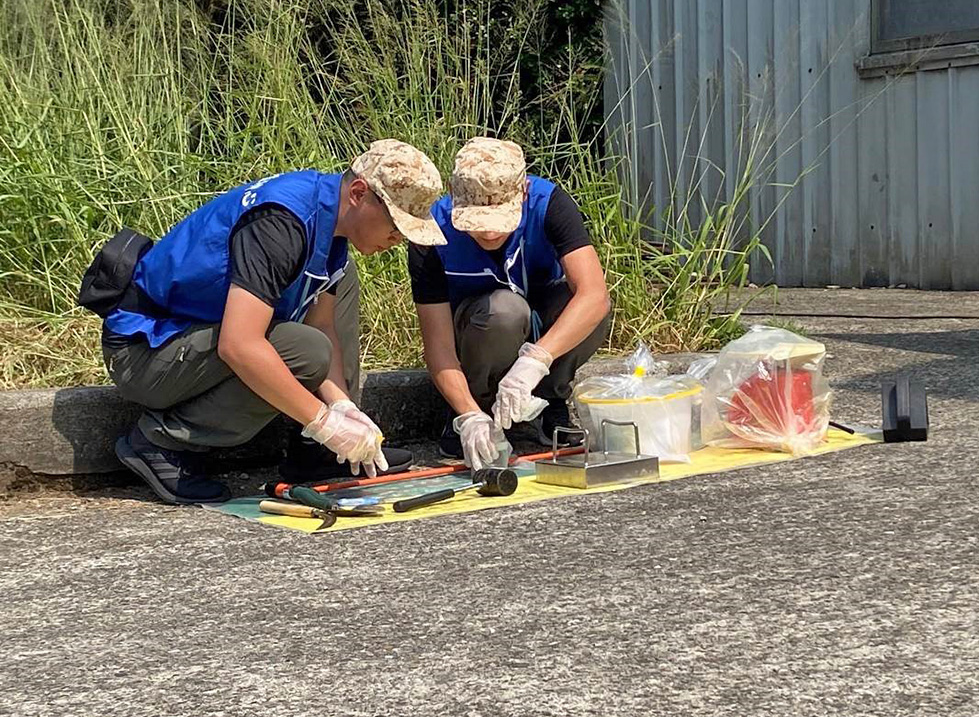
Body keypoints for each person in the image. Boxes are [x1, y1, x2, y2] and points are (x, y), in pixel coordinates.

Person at [82, 140, 446, 504]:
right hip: (145, 353)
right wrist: (322, 422)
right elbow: (239, 345)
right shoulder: (281, 224)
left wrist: (342, 408)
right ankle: (161, 441)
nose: (399, 239)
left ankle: (317, 454)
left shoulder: (330, 226)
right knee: (303, 350)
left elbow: (323, 325)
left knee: (340, 285)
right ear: (358, 193)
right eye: (397, 224)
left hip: (188, 343)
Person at [408, 136, 611, 469]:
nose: (489, 234)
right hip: (479, 331)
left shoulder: (551, 204)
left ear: (524, 192)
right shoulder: (431, 233)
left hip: (540, 321)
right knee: (504, 309)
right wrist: (468, 413)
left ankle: (549, 397)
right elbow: (438, 345)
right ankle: (476, 410)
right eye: (477, 223)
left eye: (500, 220)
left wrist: (536, 361)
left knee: (585, 308)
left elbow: (594, 294)